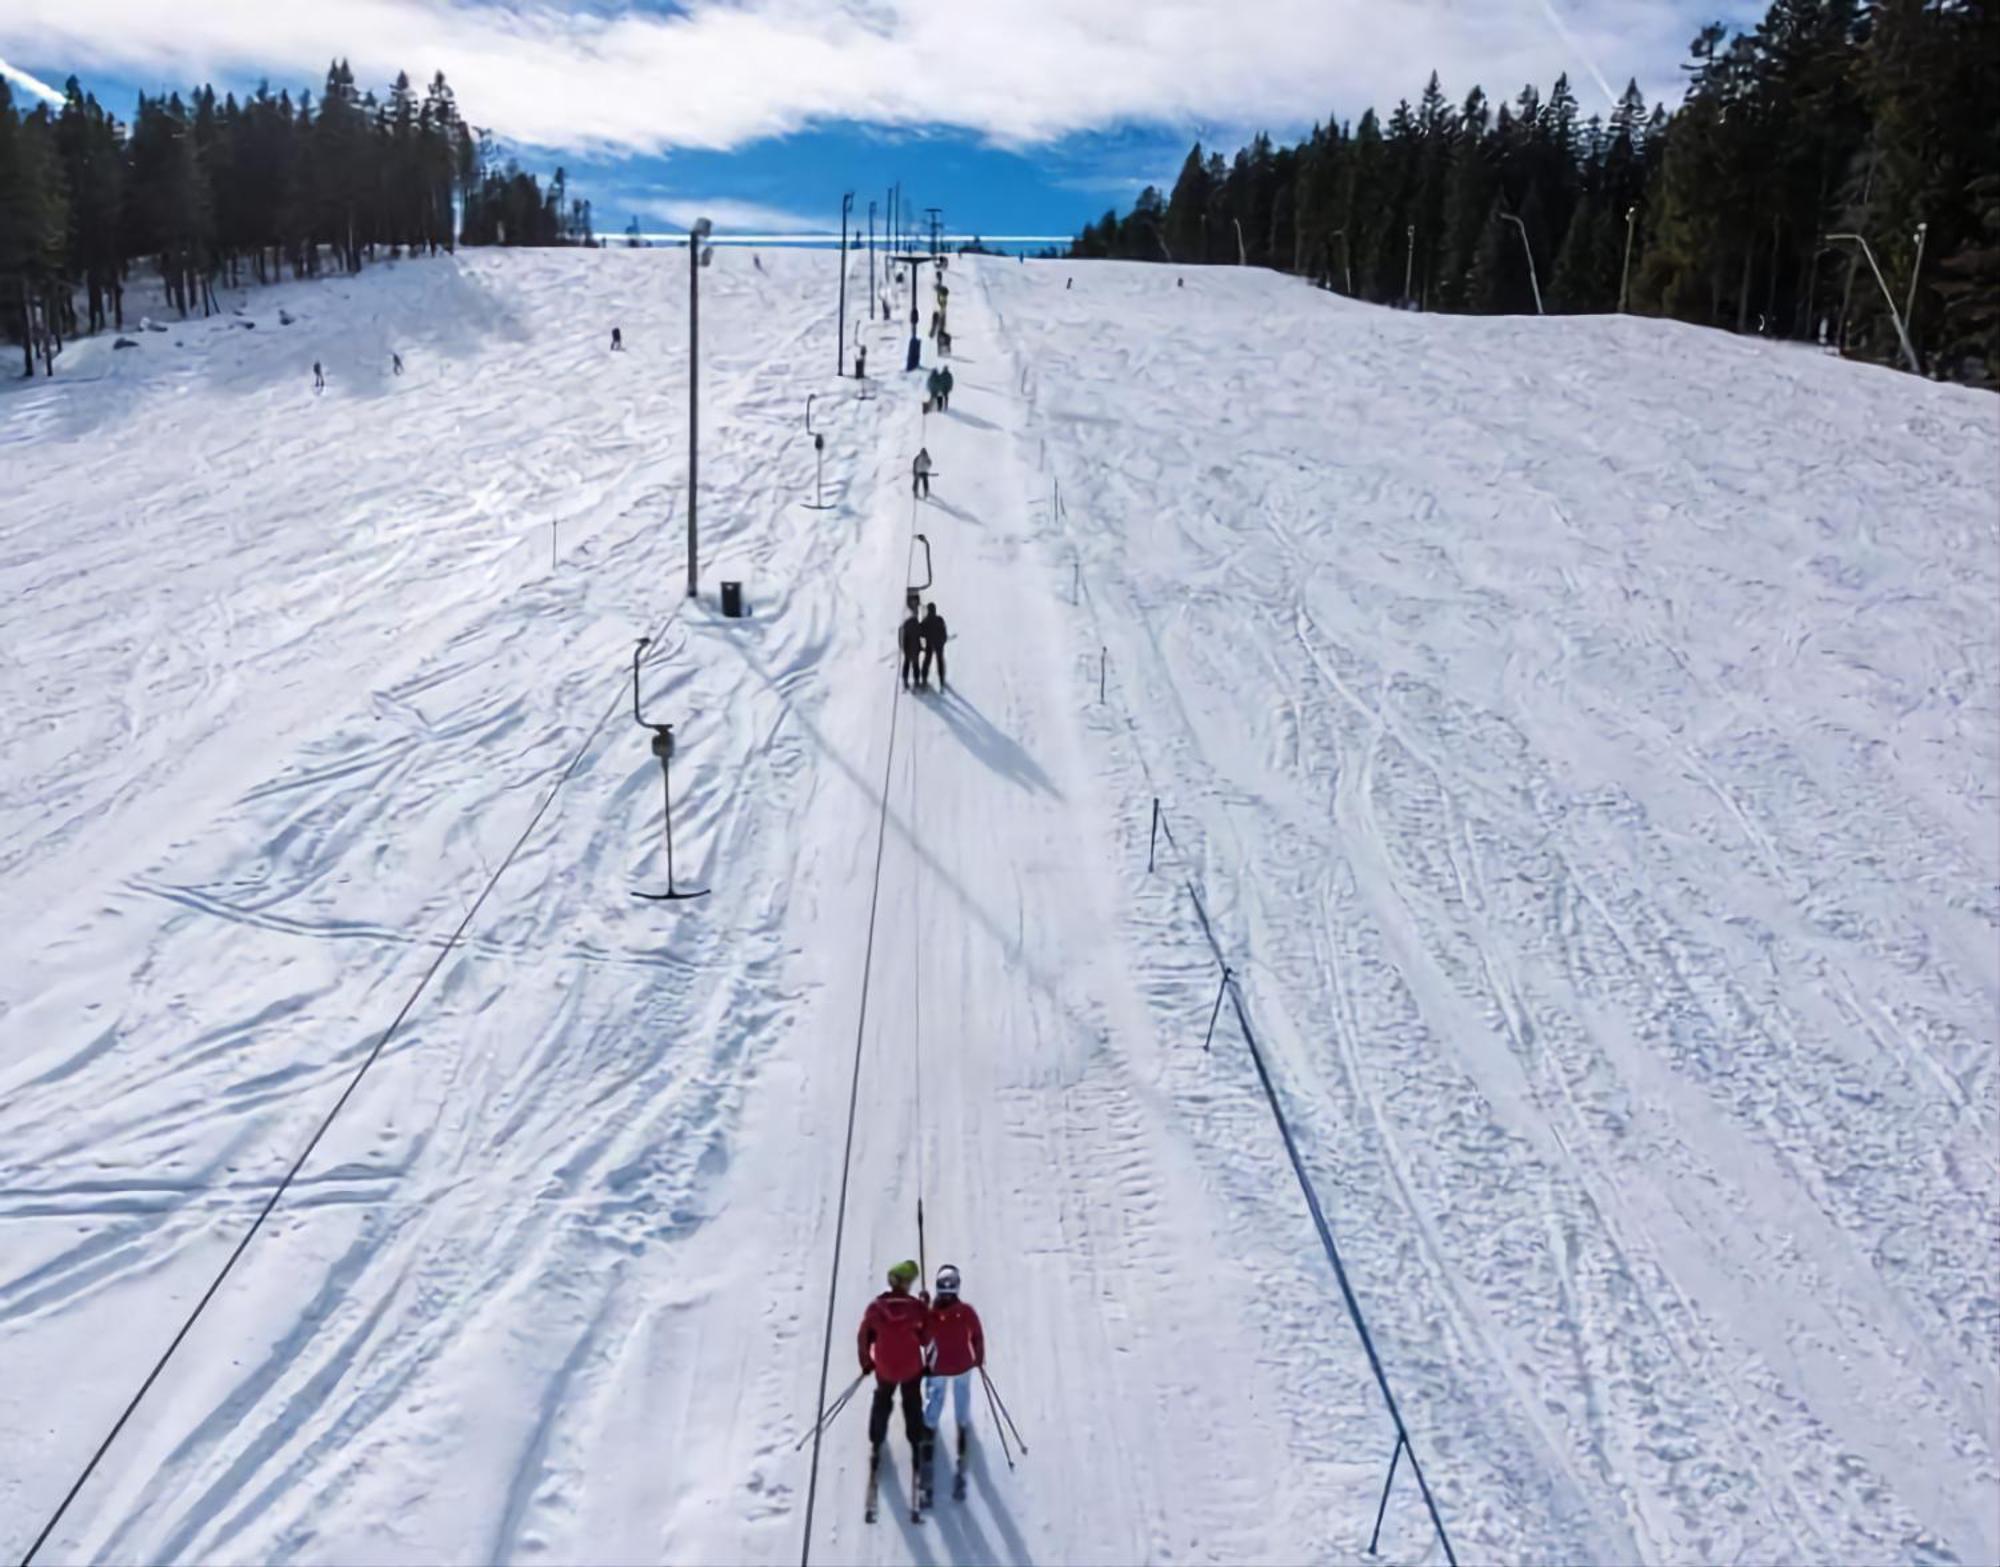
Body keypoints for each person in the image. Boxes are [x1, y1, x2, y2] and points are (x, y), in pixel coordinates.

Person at [859, 1259, 932, 1493]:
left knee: (882, 1400)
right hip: (911, 1367)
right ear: (907, 1283)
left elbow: (864, 1337)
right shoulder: (916, 1309)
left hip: (885, 1368)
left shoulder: (876, 1308)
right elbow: (926, 1338)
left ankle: (876, 1442)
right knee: (912, 1403)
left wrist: (866, 1363)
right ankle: (916, 1441)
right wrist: (925, 1306)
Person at [923, 1265, 984, 1499]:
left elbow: (923, 1336)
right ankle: (962, 1426)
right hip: (962, 1366)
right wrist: (978, 1357)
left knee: (935, 1400)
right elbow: (977, 1334)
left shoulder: (931, 1313)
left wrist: (924, 1305)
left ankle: (929, 1430)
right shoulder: (966, 1311)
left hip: (938, 1368)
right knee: (962, 1396)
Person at [920, 603, 948, 690]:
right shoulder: (940, 619)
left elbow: (921, 632)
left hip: (930, 644)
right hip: (939, 644)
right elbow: (944, 632)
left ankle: (924, 679)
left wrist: (927, 635)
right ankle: (942, 680)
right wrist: (943, 641)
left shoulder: (926, 620)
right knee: (940, 662)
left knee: (927, 661)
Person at [900, 607, 924, 689]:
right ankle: (916, 682)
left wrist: (903, 648)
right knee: (915, 666)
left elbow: (904, 637)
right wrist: (920, 647)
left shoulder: (906, 623)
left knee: (907, 664)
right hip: (914, 649)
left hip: (908, 649)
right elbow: (919, 636)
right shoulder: (916, 624)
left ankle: (905, 681)